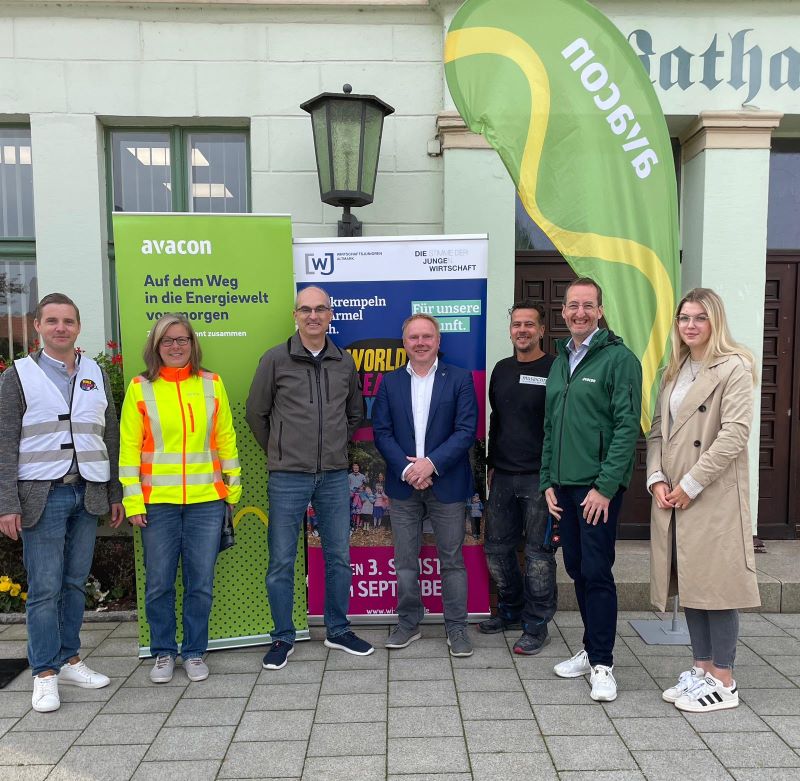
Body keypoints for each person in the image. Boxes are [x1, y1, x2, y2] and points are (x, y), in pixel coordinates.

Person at [0, 293, 123, 712]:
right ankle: (44, 673)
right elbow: (5, 443)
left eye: (68, 321)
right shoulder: (18, 376)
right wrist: (6, 503)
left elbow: (108, 434)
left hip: (86, 490)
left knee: (74, 583)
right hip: (42, 494)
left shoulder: (94, 372)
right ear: (37, 326)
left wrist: (114, 492)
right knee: (45, 588)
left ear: (78, 327)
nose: (60, 328)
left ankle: (69, 657)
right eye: (51, 320)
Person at [246, 285, 372, 670]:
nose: (313, 316)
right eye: (306, 309)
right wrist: (280, 451)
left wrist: (333, 447)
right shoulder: (275, 360)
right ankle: (283, 636)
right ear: (295, 315)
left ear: (330, 314)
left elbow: (355, 413)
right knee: (282, 561)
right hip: (287, 477)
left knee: (338, 557)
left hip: (333, 476)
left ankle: (338, 630)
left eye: (320, 309)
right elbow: (256, 413)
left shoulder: (343, 362)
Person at [647, 288, 760, 712]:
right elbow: (658, 430)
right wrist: (656, 477)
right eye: (683, 318)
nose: (689, 325)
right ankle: (702, 668)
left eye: (699, 317)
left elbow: (734, 434)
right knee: (691, 583)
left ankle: (725, 680)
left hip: (710, 492)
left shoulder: (733, 367)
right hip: (674, 491)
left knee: (718, 585)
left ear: (715, 322)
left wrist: (692, 483)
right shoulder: (673, 370)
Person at [119, 313, 241, 684]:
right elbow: (128, 450)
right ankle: (163, 652)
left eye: (182, 340)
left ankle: (193, 651)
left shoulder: (211, 384)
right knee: (159, 582)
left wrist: (231, 490)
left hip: (207, 500)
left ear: (192, 344)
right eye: (168, 341)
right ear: (156, 346)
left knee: (200, 581)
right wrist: (133, 500)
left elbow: (226, 439)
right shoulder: (141, 388)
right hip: (158, 504)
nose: (175, 346)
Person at [540, 278, 641, 702]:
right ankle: (588, 647)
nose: (579, 312)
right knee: (578, 568)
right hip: (563, 487)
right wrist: (547, 479)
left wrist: (604, 486)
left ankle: (603, 663)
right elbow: (550, 428)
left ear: (600, 310)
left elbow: (626, 428)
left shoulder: (619, 360)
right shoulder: (561, 360)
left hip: (597, 490)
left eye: (588, 305)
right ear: (562, 312)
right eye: (572, 306)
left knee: (597, 572)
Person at [373, 313, 478, 656]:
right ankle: (408, 622)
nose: (420, 343)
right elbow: (382, 433)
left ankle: (457, 628)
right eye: (413, 337)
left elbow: (465, 431)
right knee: (404, 561)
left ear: (438, 341)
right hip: (404, 486)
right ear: (404, 343)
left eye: (427, 337)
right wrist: (409, 472)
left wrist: (430, 464)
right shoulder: (389, 383)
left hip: (445, 482)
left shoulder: (459, 379)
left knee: (452, 560)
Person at [479, 300, 557, 655]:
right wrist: (492, 463)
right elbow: (497, 419)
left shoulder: (557, 369)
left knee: (539, 555)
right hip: (504, 475)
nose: (522, 330)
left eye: (529, 325)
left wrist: (554, 475)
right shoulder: (502, 369)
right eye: (516, 325)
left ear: (542, 330)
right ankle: (510, 610)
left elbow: (561, 426)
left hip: (540, 478)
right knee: (496, 549)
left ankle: (537, 623)